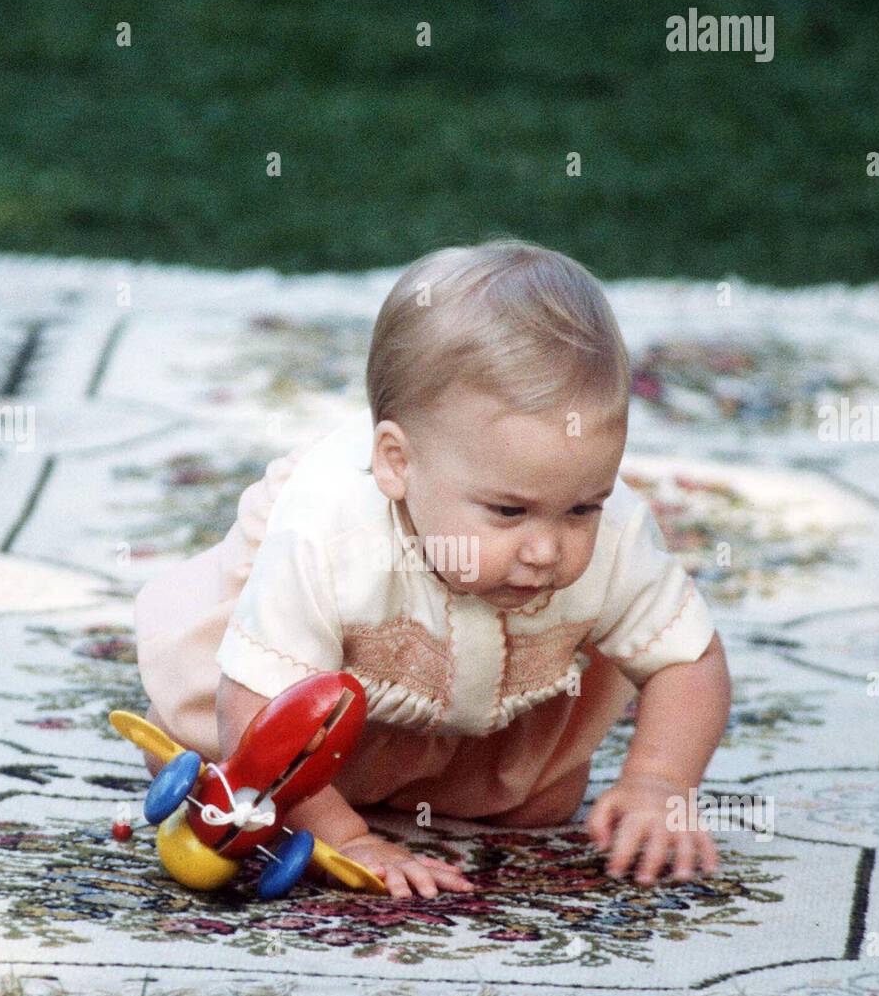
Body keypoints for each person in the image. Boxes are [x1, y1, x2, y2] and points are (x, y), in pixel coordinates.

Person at [134, 239, 732, 898]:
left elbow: (689, 660)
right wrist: (345, 837)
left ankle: (428, 776)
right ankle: (328, 797)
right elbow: (257, 705)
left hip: (471, 697)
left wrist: (658, 780)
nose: (545, 550)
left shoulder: (612, 530)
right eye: (508, 511)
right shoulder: (329, 533)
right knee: (233, 774)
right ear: (397, 463)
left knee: (542, 802)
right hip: (294, 709)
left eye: (580, 508)